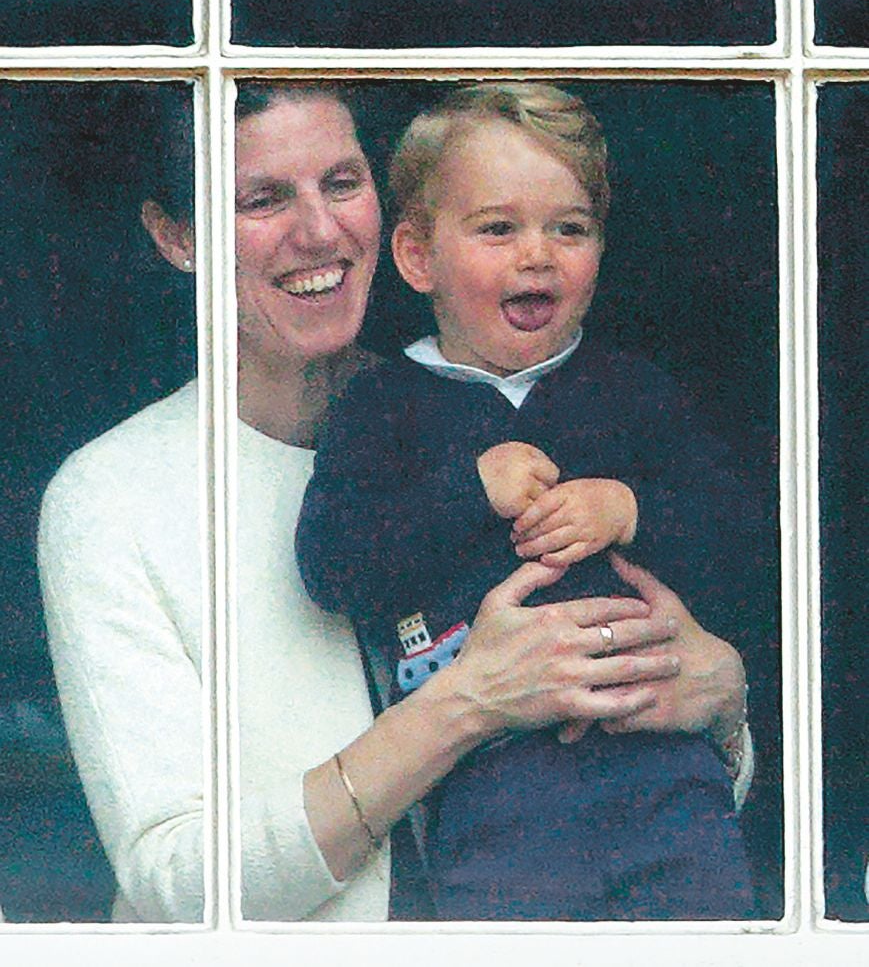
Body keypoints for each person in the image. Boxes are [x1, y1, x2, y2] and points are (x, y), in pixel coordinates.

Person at [38, 80, 751, 923]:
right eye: (262, 199)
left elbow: (669, 775)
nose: (319, 231)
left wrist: (722, 702)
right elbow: (175, 885)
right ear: (177, 236)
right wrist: (467, 703)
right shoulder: (111, 499)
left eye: (341, 184)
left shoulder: (495, 407)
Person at [297, 82, 760, 920]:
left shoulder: (633, 390)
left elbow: (740, 538)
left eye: (568, 228)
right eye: (497, 228)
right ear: (417, 257)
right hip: (491, 786)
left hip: (663, 768)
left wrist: (629, 510)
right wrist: (468, 491)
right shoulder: (381, 407)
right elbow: (334, 564)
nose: (537, 255)